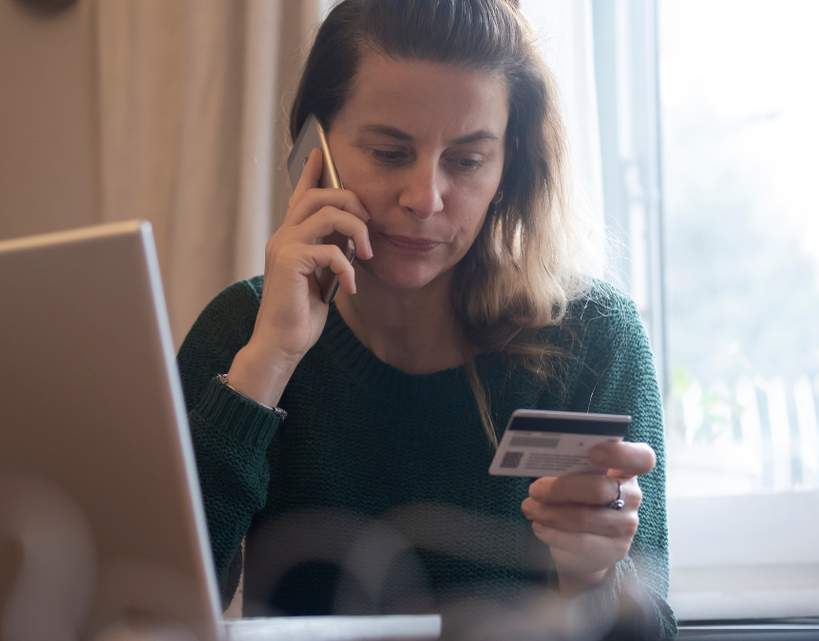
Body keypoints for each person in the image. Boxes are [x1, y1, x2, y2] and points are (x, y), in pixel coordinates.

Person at [177, 0, 675, 637]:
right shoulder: (239, 332)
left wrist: (595, 581)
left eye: (467, 161)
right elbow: (160, 605)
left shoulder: (592, 338)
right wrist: (268, 361)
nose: (425, 199)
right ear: (314, 149)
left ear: (508, 167)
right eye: (389, 152)